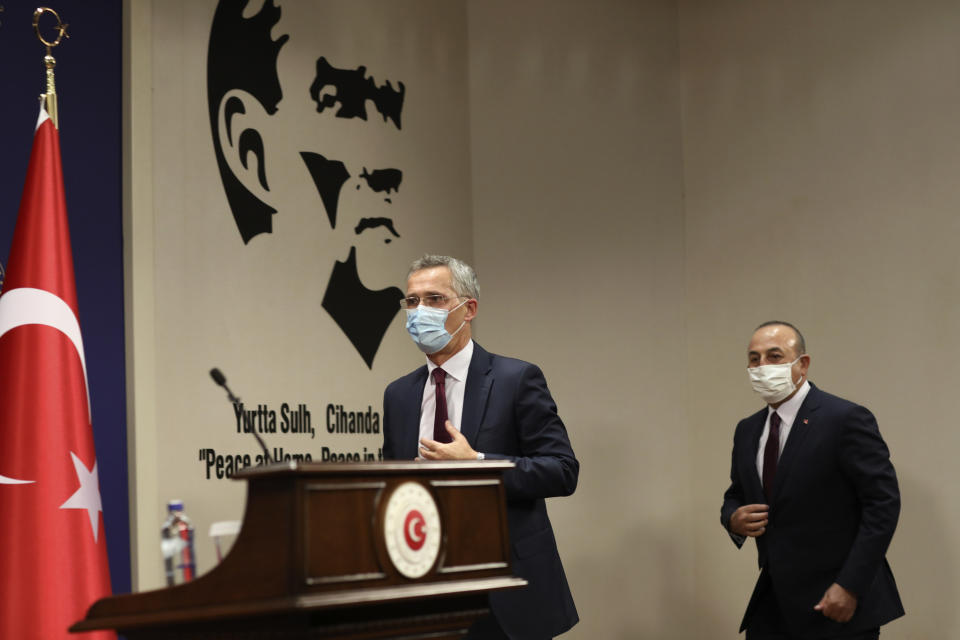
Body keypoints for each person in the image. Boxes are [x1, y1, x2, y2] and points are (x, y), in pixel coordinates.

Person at [207, 0, 419, 367]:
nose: (382, 168)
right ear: (250, 150)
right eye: (336, 103)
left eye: (385, 104)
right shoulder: (243, 334)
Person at [383, 255, 579, 640]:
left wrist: (478, 462)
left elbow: (562, 470)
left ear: (468, 308)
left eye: (435, 299)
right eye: (412, 301)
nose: (419, 311)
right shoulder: (398, 394)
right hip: (424, 590)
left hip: (504, 591)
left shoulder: (516, 379)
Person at [721, 321, 904, 639]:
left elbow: (883, 504)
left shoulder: (844, 419)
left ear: (802, 364)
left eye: (774, 356)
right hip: (774, 600)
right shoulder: (748, 429)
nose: (762, 366)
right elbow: (736, 493)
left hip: (837, 600)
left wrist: (850, 585)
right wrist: (732, 519)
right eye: (754, 358)